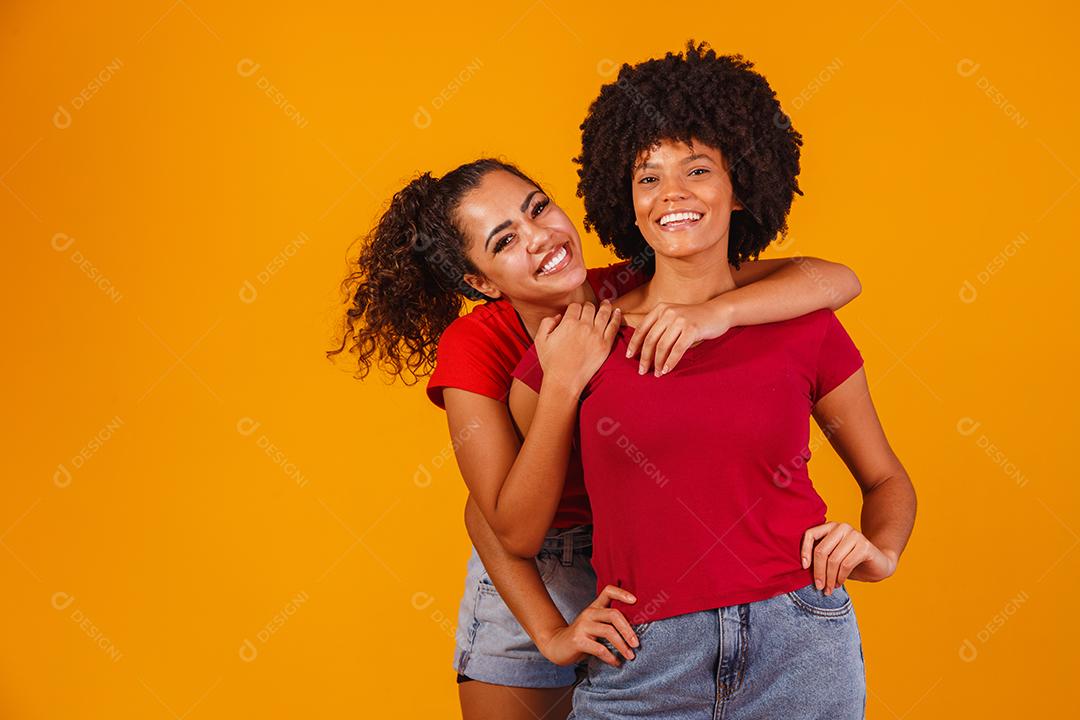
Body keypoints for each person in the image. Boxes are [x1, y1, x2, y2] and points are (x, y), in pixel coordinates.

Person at [330, 152, 862, 719]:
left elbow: (833, 279)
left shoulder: (632, 285)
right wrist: (551, 633)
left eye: (539, 208)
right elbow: (498, 522)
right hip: (536, 573)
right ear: (480, 282)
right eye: (505, 241)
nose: (538, 238)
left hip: (643, 566)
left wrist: (720, 313)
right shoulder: (476, 346)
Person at [509, 43, 916, 719]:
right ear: (625, 200)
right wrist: (553, 635)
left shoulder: (803, 323)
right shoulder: (582, 339)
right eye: (648, 177)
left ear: (740, 185)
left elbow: (886, 479)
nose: (672, 193)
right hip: (643, 657)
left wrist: (882, 552)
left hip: (802, 646)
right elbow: (508, 518)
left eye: (698, 169)